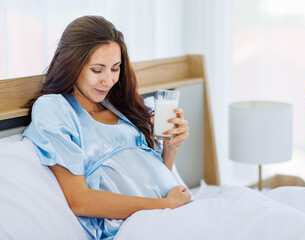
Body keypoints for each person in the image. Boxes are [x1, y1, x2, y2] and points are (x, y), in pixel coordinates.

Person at [22, 15, 191, 240]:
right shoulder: (55, 109)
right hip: (138, 226)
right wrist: (164, 205)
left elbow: (151, 179)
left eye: (115, 68)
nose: (109, 80)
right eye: (97, 70)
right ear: (72, 65)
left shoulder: (119, 105)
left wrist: (171, 149)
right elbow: (79, 201)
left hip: (173, 213)